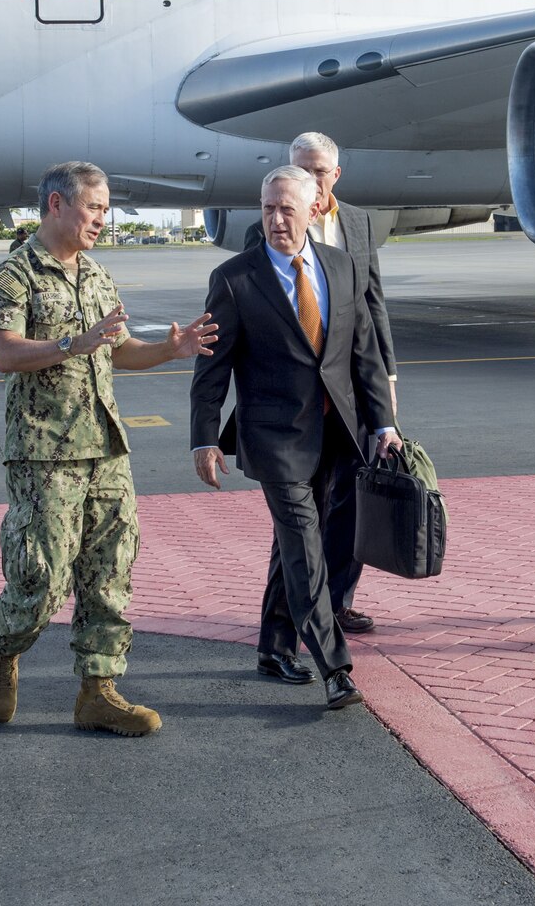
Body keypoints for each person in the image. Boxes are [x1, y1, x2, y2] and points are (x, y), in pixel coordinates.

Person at [0, 161, 218, 735]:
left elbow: (117, 351)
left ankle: (97, 691)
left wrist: (169, 350)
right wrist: (72, 342)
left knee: (110, 572)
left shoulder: (98, 275)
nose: (103, 220)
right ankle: (3, 645)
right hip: (44, 452)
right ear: (57, 205)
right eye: (95, 208)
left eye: (106, 209)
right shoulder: (15, 276)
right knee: (42, 579)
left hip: (106, 448)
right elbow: (5, 354)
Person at [191, 165, 401, 709]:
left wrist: (384, 423)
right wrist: (204, 438)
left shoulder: (341, 266)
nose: (276, 219)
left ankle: (274, 647)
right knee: (307, 548)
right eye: (267, 208)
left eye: (287, 208)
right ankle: (335, 667)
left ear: (314, 209)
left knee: (297, 545)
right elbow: (211, 370)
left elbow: (365, 354)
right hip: (274, 438)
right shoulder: (235, 279)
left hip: (337, 432)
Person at [243, 131, 396, 635]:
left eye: (318, 171)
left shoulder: (357, 222)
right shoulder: (264, 230)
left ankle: (338, 600)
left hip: (351, 389)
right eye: (300, 169)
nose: (309, 178)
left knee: (352, 501)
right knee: (299, 516)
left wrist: (386, 383)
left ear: (335, 175)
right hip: (295, 405)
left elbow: (372, 304)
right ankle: (300, 622)